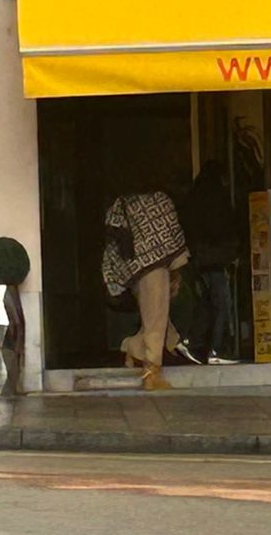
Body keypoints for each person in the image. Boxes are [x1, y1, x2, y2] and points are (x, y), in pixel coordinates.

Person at [101, 188, 192, 391]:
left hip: (134, 268)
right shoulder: (161, 200)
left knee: (155, 318)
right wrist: (177, 269)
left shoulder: (123, 201)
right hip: (155, 267)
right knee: (156, 317)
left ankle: (134, 348)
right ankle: (152, 372)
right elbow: (172, 236)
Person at [182, 159, 240, 363]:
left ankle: (193, 341)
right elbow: (221, 226)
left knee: (205, 302)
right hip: (216, 257)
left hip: (198, 257)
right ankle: (217, 349)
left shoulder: (194, 196)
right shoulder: (216, 197)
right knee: (221, 303)